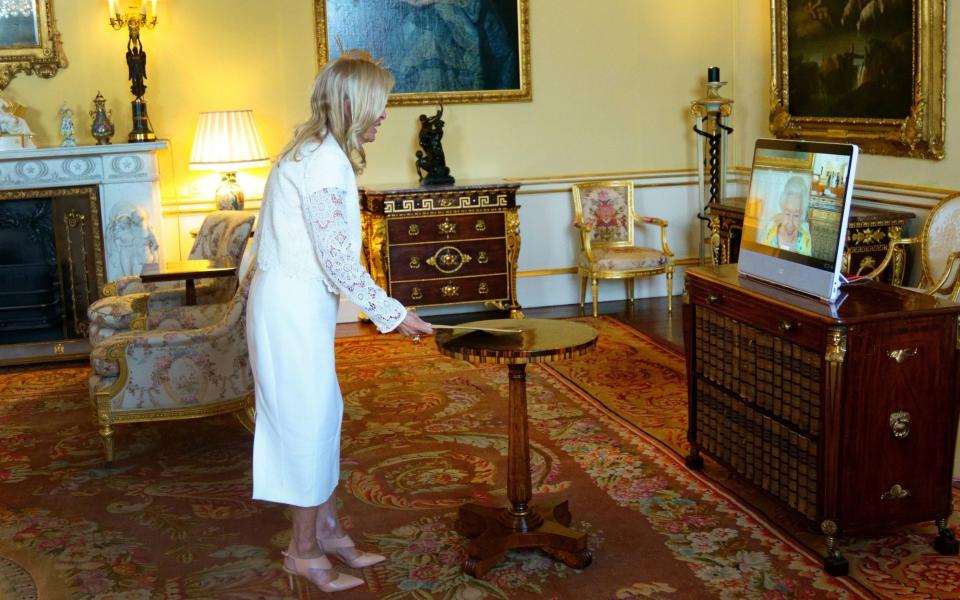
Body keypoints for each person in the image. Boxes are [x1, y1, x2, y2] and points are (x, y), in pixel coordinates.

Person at [247, 51, 434, 593]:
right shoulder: (323, 163)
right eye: (380, 107)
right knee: (307, 423)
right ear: (354, 105)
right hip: (290, 308)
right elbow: (337, 261)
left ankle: (326, 529)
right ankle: (302, 552)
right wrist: (394, 315)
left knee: (322, 413)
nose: (385, 117)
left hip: (291, 303)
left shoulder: (314, 150)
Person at [762, 175, 812, 255]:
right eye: (787, 213)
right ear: (782, 209)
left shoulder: (805, 239)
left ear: (801, 214)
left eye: (796, 215)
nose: (790, 223)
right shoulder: (771, 235)